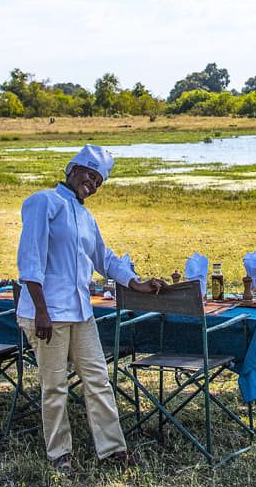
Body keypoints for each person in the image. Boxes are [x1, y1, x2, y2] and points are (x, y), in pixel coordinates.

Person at [16, 144, 164, 469]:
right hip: (48, 313)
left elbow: (104, 258)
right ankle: (60, 455)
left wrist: (135, 281)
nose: (93, 184)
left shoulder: (85, 217)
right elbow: (30, 260)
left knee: (98, 379)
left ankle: (112, 451)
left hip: (81, 311)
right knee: (54, 386)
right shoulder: (44, 202)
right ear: (73, 169)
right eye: (89, 175)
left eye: (99, 181)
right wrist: (41, 310)